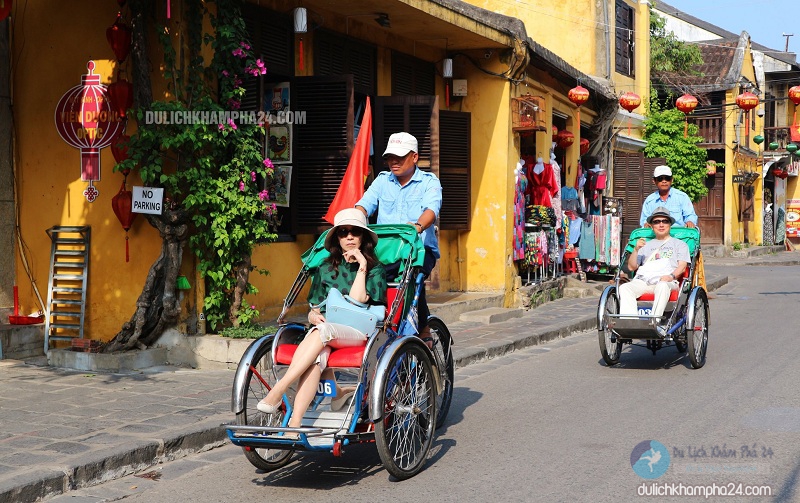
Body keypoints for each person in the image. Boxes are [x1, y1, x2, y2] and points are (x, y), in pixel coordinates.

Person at [257, 208, 387, 438]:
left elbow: (358, 300)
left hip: (358, 332)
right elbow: (314, 309)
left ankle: (280, 388)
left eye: (354, 232)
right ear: (337, 237)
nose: (348, 237)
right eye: (343, 232)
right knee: (317, 357)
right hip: (326, 331)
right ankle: (295, 425)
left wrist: (362, 266)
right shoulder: (326, 268)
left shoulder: (375, 269)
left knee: (322, 331)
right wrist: (314, 316)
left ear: (362, 237)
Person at [356, 132, 442, 342]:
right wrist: (354, 218)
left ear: (414, 157)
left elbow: (431, 209)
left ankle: (423, 329)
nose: (393, 162)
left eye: (400, 157)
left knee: (412, 277)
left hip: (420, 250)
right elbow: (365, 204)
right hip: (387, 252)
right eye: (390, 157)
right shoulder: (382, 181)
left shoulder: (428, 182)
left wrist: (418, 226)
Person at [619, 207, 690, 334]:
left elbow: (682, 266)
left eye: (665, 221)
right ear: (652, 226)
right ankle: (631, 324)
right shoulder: (645, 245)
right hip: (645, 282)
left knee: (662, 285)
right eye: (657, 222)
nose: (661, 224)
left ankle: (654, 323)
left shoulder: (680, 244)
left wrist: (671, 276)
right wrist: (635, 250)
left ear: (670, 224)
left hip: (667, 281)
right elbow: (631, 267)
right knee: (624, 288)